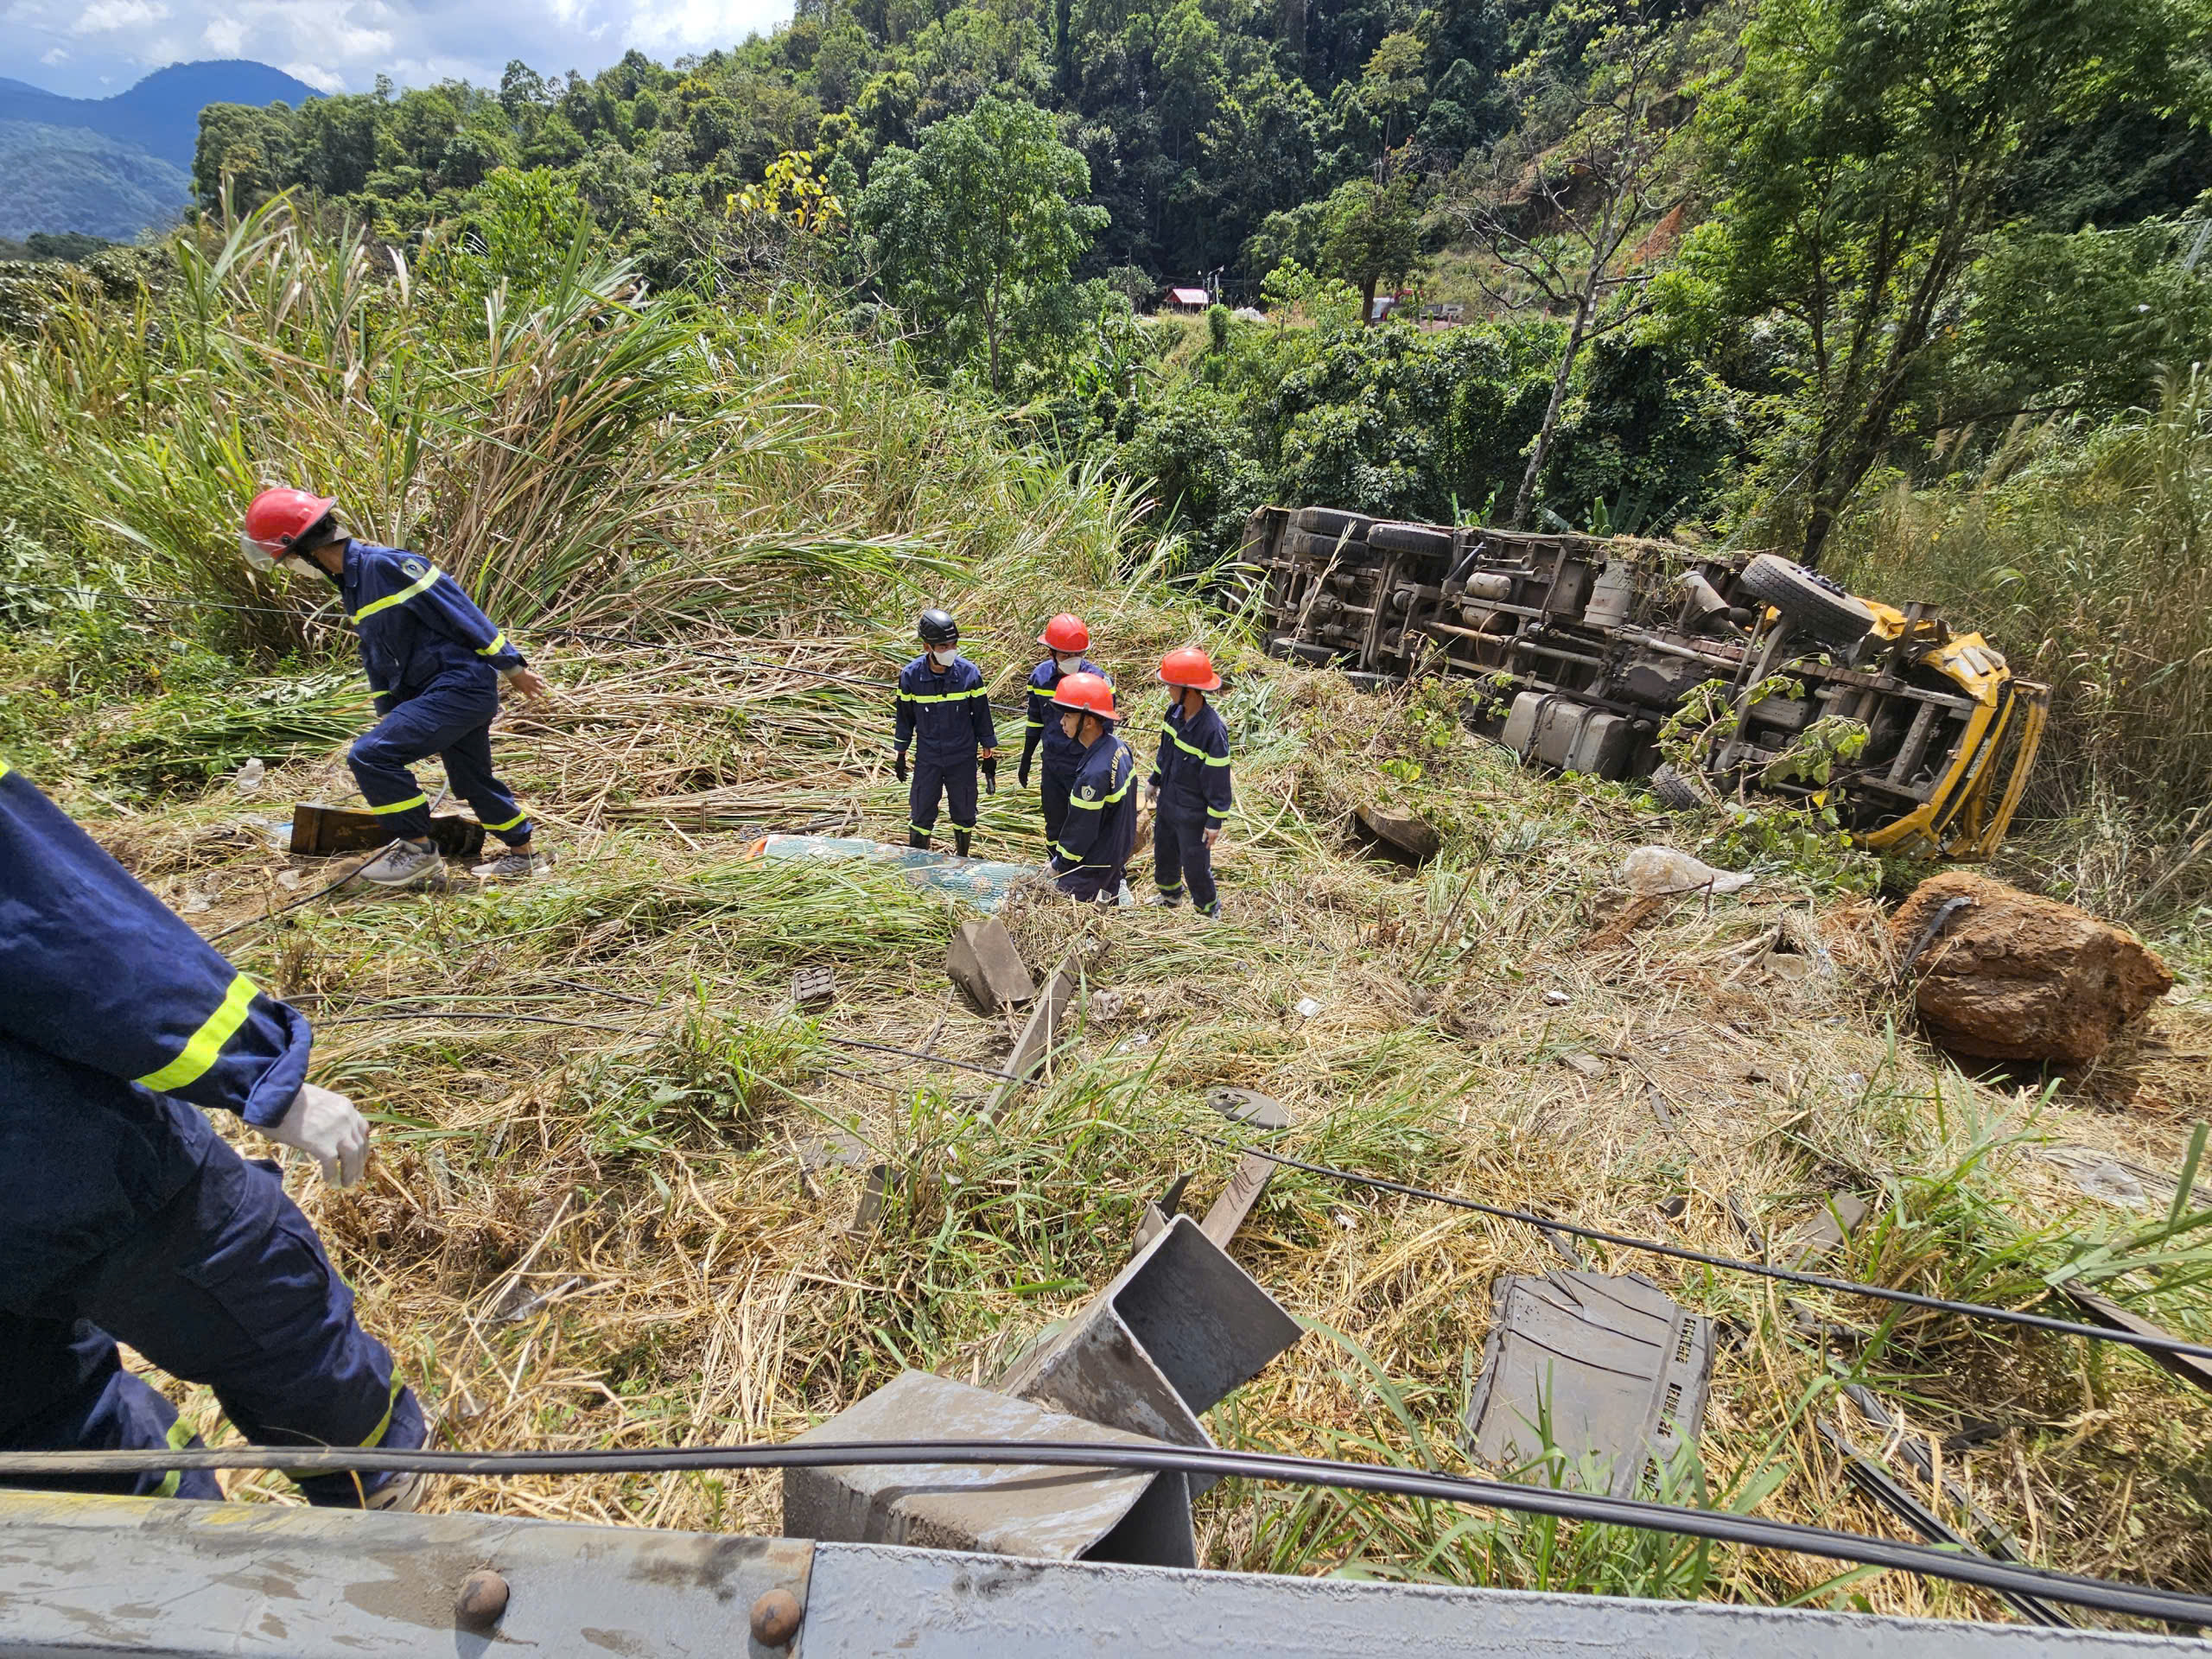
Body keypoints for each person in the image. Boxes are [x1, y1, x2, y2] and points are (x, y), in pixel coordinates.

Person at [0, 756, 428, 1510]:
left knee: (51, 1435)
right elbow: (59, 924)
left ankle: (154, 1560)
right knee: (274, 1320)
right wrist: (260, 1072)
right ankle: (381, 1501)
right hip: (68, 1170)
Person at [239, 487, 551, 888]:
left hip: (459, 687)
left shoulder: (387, 565)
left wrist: (511, 666)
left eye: (288, 559)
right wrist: (389, 708)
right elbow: (378, 654)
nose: (292, 567)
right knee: (472, 780)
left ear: (303, 550)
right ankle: (525, 856)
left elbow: (460, 611)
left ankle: (417, 852)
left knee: (370, 756)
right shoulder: (353, 585)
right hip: (442, 692)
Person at [893, 608, 999, 857]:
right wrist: (901, 754)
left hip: (962, 756)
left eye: (953, 645)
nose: (950, 650)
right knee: (921, 810)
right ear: (927, 647)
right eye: (943, 646)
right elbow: (904, 719)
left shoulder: (969, 674)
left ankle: (962, 858)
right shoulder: (911, 676)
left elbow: (982, 717)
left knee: (965, 810)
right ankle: (918, 861)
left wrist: (989, 758)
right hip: (928, 757)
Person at [1147, 646, 1233, 918]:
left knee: (1195, 865)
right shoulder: (1173, 713)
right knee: (1164, 853)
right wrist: (1154, 780)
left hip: (1194, 813)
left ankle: (1208, 910)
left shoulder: (1212, 730)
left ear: (1190, 691)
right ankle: (1170, 895)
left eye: (1172, 686)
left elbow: (1218, 780)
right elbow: (1165, 752)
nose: (1168, 691)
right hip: (1168, 802)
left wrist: (1215, 820)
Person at [1019, 613, 1109, 851]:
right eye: (1066, 655)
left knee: (1085, 825)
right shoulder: (1040, 678)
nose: (1072, 660)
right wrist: (1026, 758)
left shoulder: (1098, 682)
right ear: (1051, 652)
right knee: (1054, 825)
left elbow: (1107, 731)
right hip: (1053, 766)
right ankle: (1054, 866)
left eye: (1077, 654)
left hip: (1084, 768)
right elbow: (1035, 721)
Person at [1045, 671, 1136, 904]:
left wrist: (1059, 864)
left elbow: (1081, 830)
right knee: (1106, 907)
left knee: (1069, 911)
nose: (1062, 722)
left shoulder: (1094, 774)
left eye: (1068, 715)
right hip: (1113, 858)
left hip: (1091, 868)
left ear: (1088, 721)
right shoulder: (1119, 747)